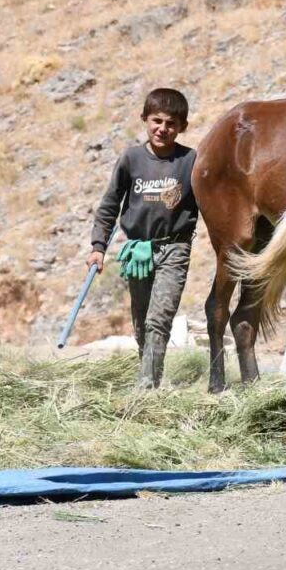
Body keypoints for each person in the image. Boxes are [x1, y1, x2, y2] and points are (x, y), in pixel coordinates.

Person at [88, 89, 198, 389]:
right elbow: (110, 205)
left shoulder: (190, 160)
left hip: (175, 247)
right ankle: (149, 376)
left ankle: (146, 389)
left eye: (171, 123)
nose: (163, 129)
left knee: (158, 320)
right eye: (157, 121)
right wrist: (98, 247)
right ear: (145, 120)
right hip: (138, 250)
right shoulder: (131, 158)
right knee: (141, 321)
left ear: (182, 127)